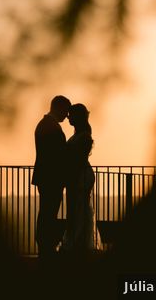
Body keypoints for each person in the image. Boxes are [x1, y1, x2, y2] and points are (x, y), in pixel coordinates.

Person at [31, 95, 70, 260]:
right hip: (51, 178)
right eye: (66, 111)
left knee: (47, 212)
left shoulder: (46, 124)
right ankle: (46, 248)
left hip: (47, 177)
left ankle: (45, 246)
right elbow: (57, 154)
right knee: (48, 213)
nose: (67, 116)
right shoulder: (50, 126)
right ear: (59, 108)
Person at [61, 103, 96, 255]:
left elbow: (78, 159)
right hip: (77, 174)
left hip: (81, 175)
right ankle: (76, 241)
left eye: (71, 115)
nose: (68, 118)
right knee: (77, 209)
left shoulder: (84, 136)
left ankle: (77, 242)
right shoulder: (79, 135)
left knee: (79, 209)